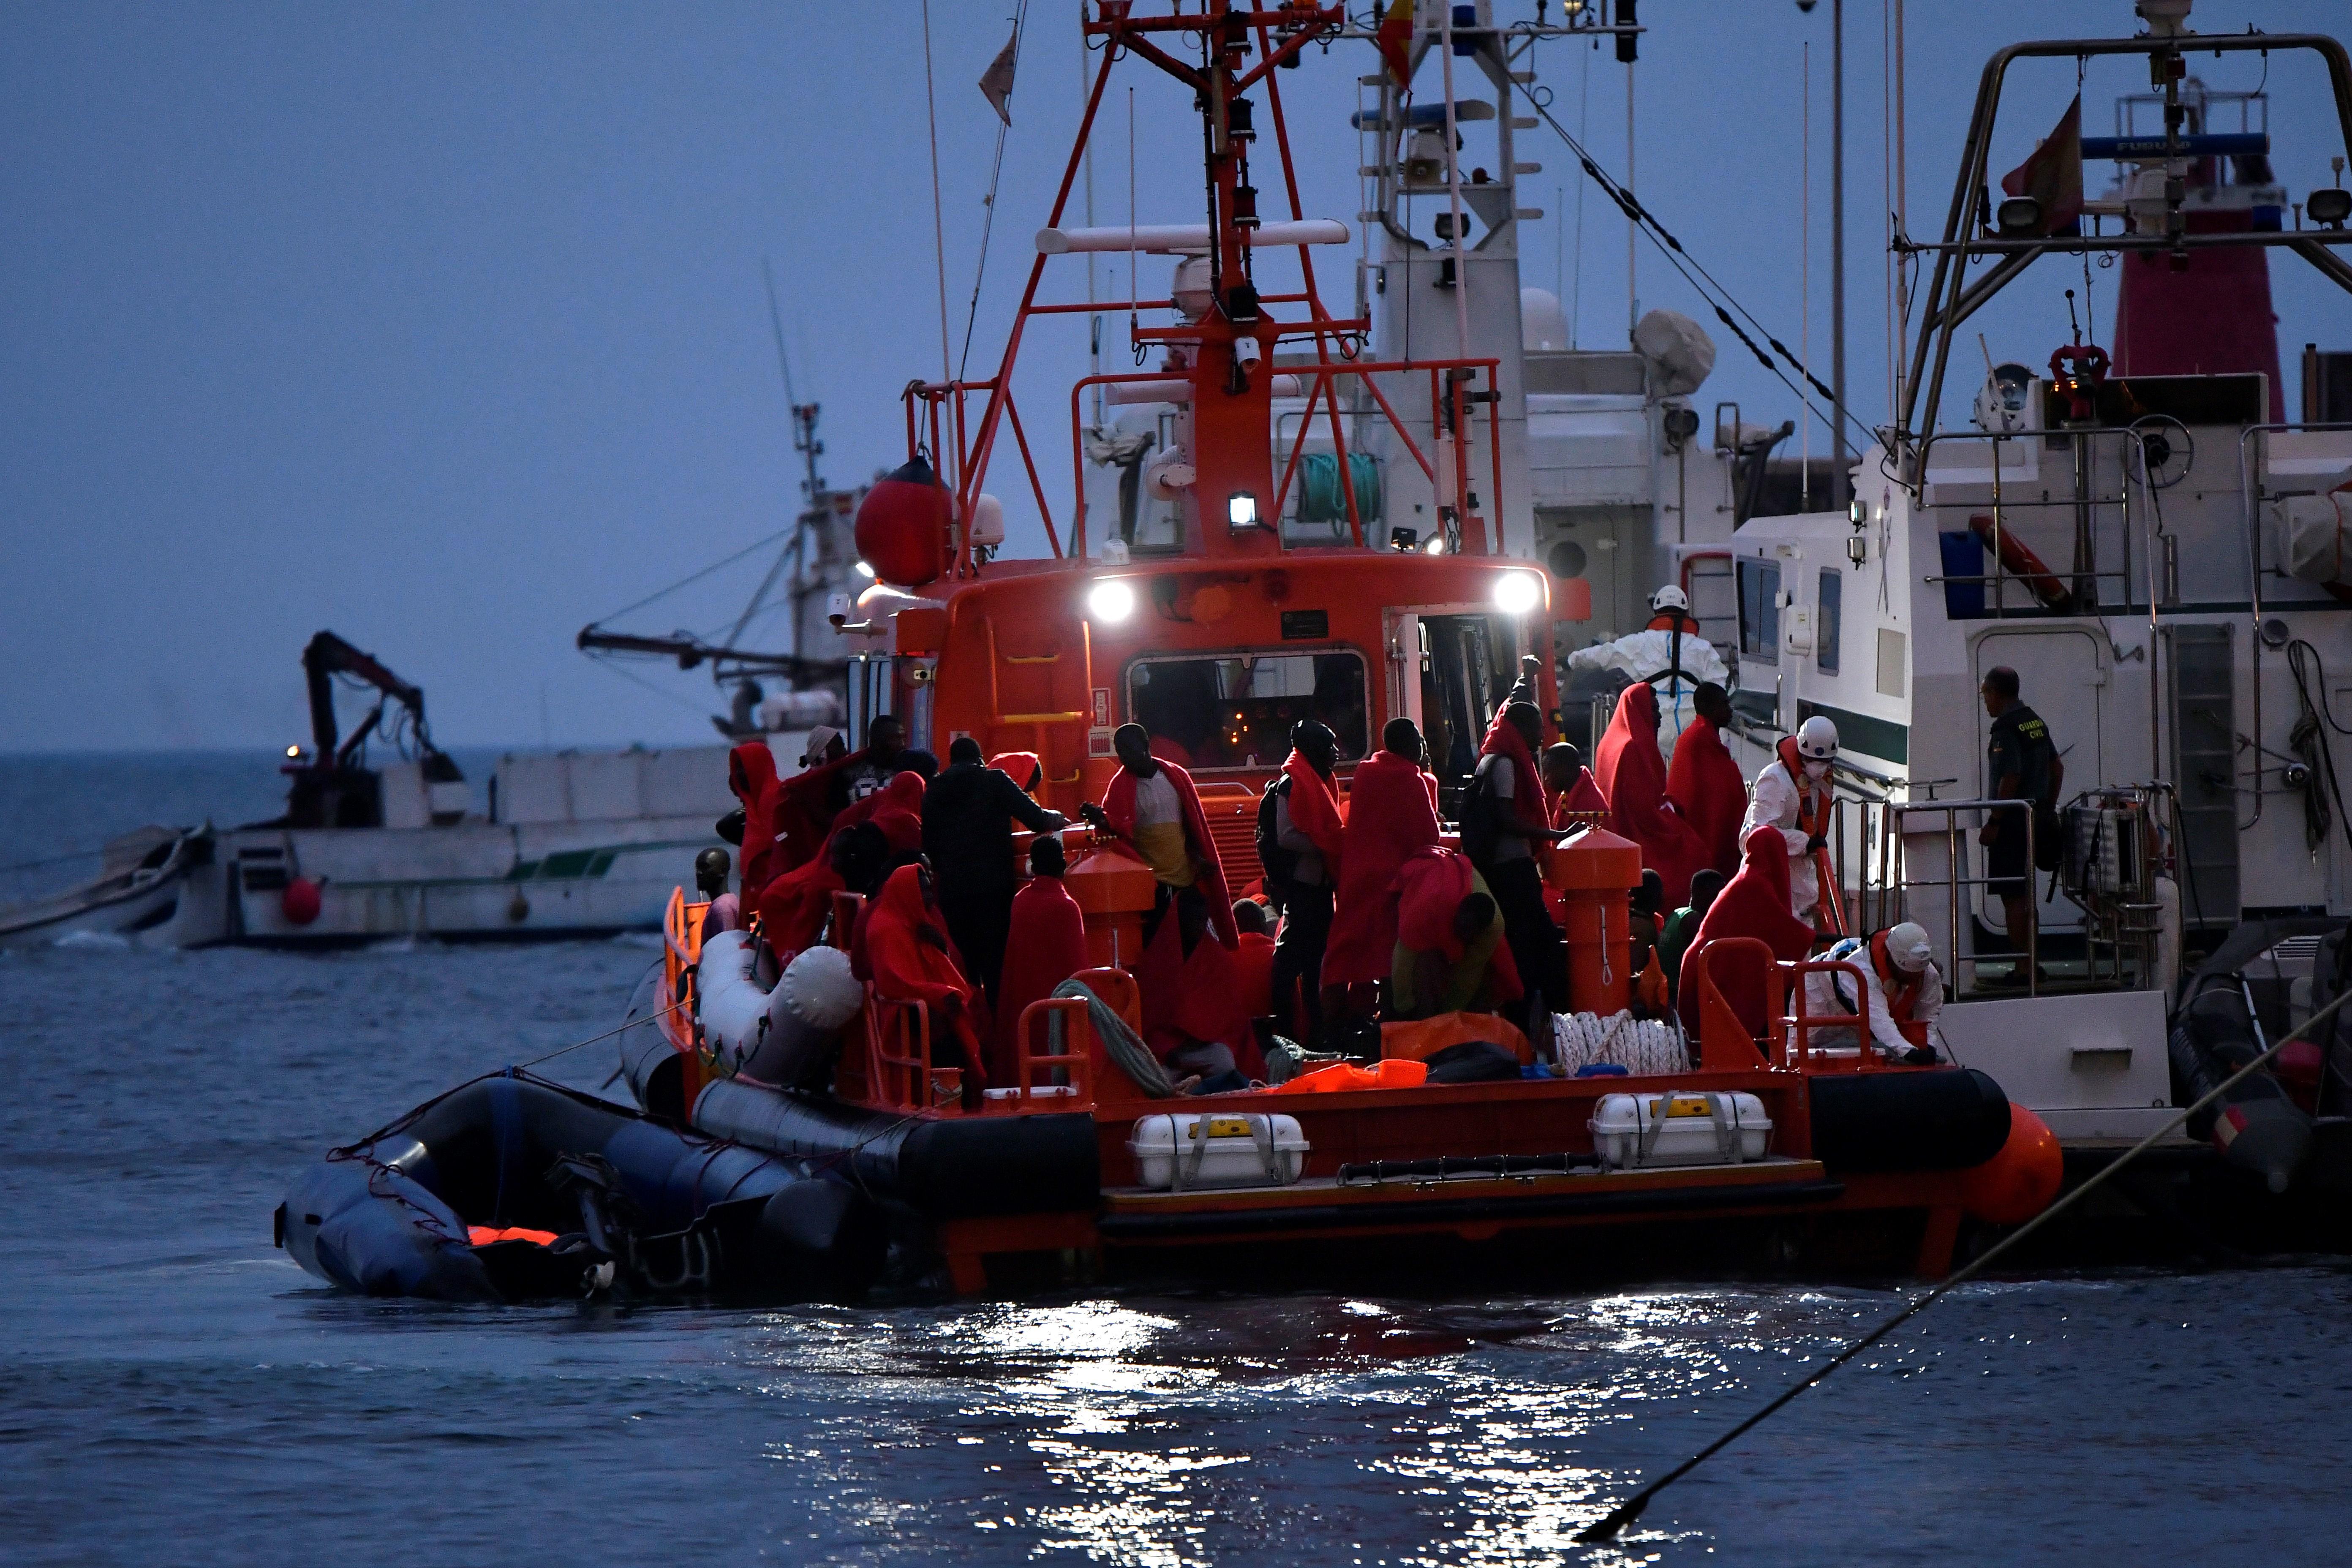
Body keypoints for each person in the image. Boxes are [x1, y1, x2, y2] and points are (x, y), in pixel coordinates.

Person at [1080, 724, 1253, 1078]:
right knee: (1161, 962)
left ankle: (1195, 1023)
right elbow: (1116, 833)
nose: (1128, 758)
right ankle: (1168, 1031)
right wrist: (1102, 820)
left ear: (1146, 745)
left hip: (1187, 881)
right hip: (1154, 887)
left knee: (1199, 954)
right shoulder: (1121, 785)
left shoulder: (1175, 776)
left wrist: (1199, 859)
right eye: (1122, 753)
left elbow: (1194, 824)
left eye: (1133, 750)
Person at [923, 736, 1067, 1004]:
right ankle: (998, 1031)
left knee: (963, 967)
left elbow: (929, 845)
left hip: (953, 890)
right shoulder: (995, 780)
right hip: (993, 889)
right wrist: (1059, 820)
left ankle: (972, 1031)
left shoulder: (934, 789)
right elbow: (1036, 819)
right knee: (995, 966)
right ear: (979, 759)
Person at [1323, 717, 1443, 997]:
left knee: (1349, 949)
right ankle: (1391, 1013)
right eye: (1419, 741)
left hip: (1357, 873)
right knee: (1389, 953)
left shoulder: (1365, 773)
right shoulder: (1410, 778)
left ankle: (1338, 1021)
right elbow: (1430, 837)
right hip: (1393, 880)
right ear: (1410, 746)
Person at [1468, 702, 1572, 1017]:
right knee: (1540, 945)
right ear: (1521, 729)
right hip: (1512, 869)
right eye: (1537, 728)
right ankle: (1548, 1016)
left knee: (1523, 944)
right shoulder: (1505, 765)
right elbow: (1506, 820)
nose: (1542, 735)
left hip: (1503, 868)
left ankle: (1527, 1014)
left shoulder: (1490, 758)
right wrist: (1557, 835)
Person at [1679, 825, 1820, 1046]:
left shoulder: (1746, 880)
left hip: (1707, 966)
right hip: (1711, 969)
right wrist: (1829, 939)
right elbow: (1784, 931)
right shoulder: (1754, 885)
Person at [862, 863, 988, 1107]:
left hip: (934, 1009)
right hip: (909, 1016)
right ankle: (951, 1101)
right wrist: (939, 995)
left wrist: (941, 948)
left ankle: (963, 1099)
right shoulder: (885, 927)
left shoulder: (919, 920)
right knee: (947, 1040)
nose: (930, 897)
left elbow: (944, 969)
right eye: (923, 891)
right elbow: (894, 981)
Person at [1261, 720, 1347, 1043]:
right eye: (1329, 746)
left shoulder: (1319, 780)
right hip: (1303, 885)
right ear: (1312, 749)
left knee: (1316, 961)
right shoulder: (1291, 784)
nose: (1336, 753)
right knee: (1292, 957)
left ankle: (1316, 1029)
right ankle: (1285, 1028)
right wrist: (1329, 843)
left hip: (1320, 885)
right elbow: (1286, 837)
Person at [1594, 683, 1713, 907]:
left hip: (1618, 835)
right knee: (1698, 855)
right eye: (1653, 710)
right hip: (1637, 838)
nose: (1658, 717)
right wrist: (1671, 812)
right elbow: (1644, 813)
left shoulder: (1610, 742)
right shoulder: (1632, 748)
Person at [1980, 666, 2061, 985]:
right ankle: (2033, 963)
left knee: (2014, 899)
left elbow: (2009, 777)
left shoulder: (2006, 730)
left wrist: (1994, 822)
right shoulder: (2034, 722)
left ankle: (2024, 969)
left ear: (1997, 694)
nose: (1985, 701)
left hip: (2012, 824)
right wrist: (2048, 808)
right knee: (2027, 898)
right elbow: (2058, 767)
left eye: (1986, 694)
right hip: (2036, 817)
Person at [990, 836, 1092, 1083]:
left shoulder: (1020, 901)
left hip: (1024, 1004)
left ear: (1033, 868)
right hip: (1056, 1010)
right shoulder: (1067, 907)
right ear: (1064, 866)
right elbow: (1078, 970)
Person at [1389, 845, 1522, 1020]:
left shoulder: (1493, 929)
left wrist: (1450, 1017)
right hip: (1423, 879)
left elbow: (1469, 975)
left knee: (1493, 977)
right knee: (1425, 967)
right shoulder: (1424, 912)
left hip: (1451, 899)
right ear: (1458, 913)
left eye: (1472, 934)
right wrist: (1404, 1007)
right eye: (1464, 929)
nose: (1465, 937)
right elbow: (1403, 959)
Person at [1741, 713, 1839, 927]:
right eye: (1814, 761)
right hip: (1770, 879)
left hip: (1800, 884)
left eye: (1824, 762)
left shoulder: (1820, 784)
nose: (1819, 767)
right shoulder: (1774, 779)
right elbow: (1757, 836)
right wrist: (1805, 842)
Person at [1802, 922, 1944, 1062]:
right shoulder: (1860, 972)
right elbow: (1877, 1017)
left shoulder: (1926, 973)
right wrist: (1908, 1052)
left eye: (1917, 974)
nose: (1913, 979)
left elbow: (1929, 1010)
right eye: (1907, 974)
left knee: (1868, 1058)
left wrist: (1929, 1045)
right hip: (1819, 993)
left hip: (1861, 1019)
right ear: (1891, 959)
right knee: (1800, 1052)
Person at [1665, 682, 1747, 878]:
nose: (1729, 710)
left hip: (1714, 838)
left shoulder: (1704, 737)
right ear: (1710, 708)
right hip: (1705, 839)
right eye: (1724, 705)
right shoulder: (1698, 740)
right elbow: (1695, 796)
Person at [725, 742, 786, 899]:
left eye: (744, 767)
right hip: (758, 894)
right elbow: (724, 827)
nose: (739, 774)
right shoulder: (754, 808)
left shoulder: (778, 798)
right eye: (737, 768)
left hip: (777, 893)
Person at [1658, 866, 1725, 1000]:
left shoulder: (1678, 913)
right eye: (1717, 895)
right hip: (1676, 994)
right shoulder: (1693, 921)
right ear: (1701, 893)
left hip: (1666, 990)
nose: (1720, 900)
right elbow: (1707, 965)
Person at [1231, 898, 1278, 1024]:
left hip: (1232, 1036)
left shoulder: (1220, 958)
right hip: (1274, 1033)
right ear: (1264, 926)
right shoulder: (1279, 956)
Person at [1542, 741, 1610, 827]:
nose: (1546, 779)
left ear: (1566, 769)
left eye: (1550, 772)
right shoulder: (1569, 792)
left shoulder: (1588, 806)